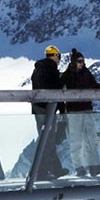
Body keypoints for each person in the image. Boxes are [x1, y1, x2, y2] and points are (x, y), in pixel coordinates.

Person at [60, 49, 100, 175]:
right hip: (73, 111)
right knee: (76, 140)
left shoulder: (86, 73)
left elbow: (95, 86)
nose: (82, 64)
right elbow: (60, 93)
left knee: (91, 138)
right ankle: (79, 167)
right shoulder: (66, 76)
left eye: (83, 61)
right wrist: (63, 111)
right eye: (79, 61)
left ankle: (94, 166)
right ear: (73, 62)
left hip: (87, 109)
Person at [28, 45, 63, 179]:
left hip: (38, 108)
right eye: (58, 57)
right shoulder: (51, 69)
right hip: (48, 108)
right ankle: (43, 171)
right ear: (54, 56)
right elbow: (56, 89)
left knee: (45, 139)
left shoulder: (37, 69)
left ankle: (55, 168)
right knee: (48, 141)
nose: (59, 60)